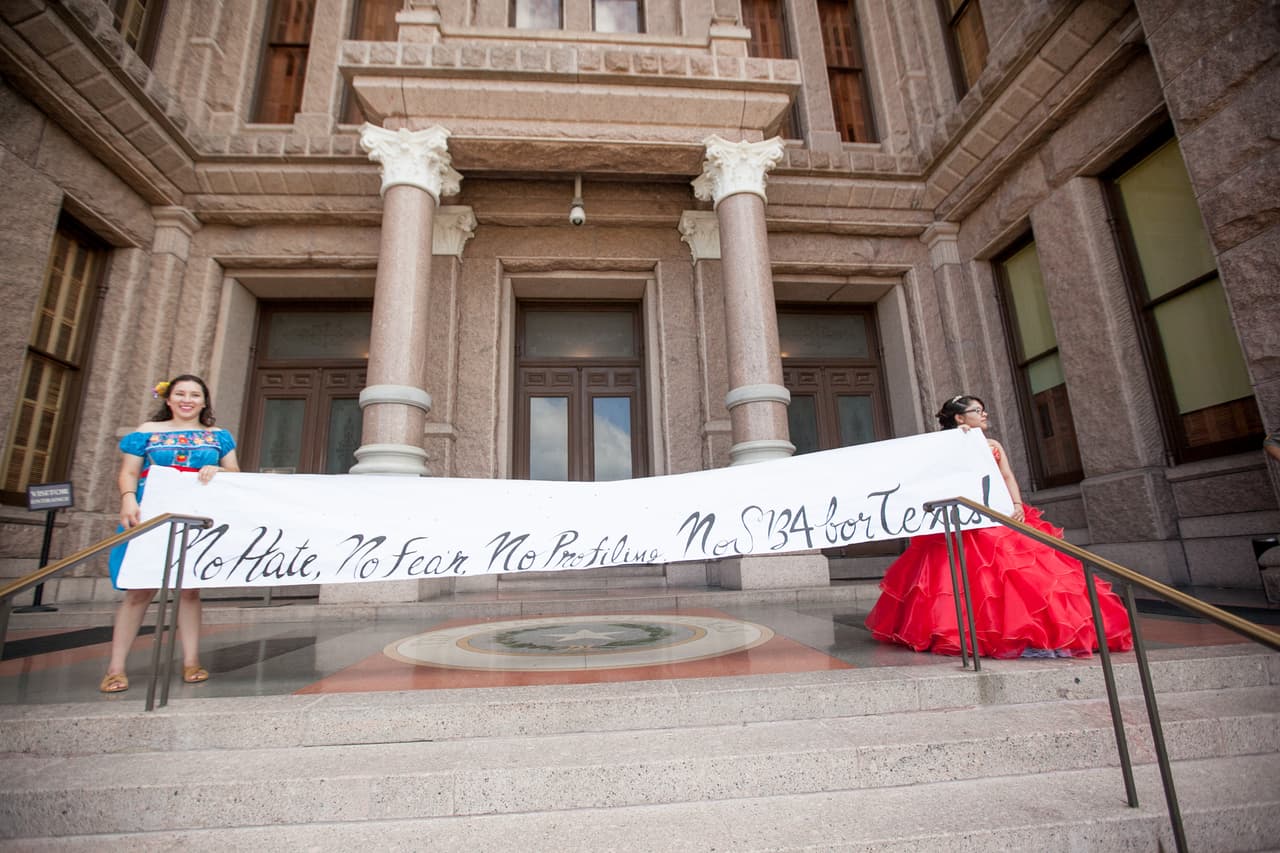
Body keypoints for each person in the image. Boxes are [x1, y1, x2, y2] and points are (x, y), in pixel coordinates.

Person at [865, 394, 1133, 659]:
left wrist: (1016, 503)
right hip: (966, 521)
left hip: (1001, 515)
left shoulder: (993, 445)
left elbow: (1006, 475)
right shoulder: (944, 446)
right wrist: (958, 441)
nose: (984, 414)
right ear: (960, 417)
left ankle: (1037, 632)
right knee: (965, 578)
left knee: (1026, 575)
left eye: (984, 410)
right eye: (977, 410)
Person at [99, 375, 239, 693]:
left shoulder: (218, 437)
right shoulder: (147, 432)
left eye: (194, 394)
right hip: (150, 515)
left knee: (189, 590)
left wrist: (220, 470)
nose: (187, 399)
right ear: (168, 399)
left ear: (204, 402)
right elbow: (129, 472)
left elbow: (236, 473)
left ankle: (191, 661)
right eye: (180, 394)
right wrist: (127, 498)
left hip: (197, 517)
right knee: (138, 592)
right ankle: (115, 667)